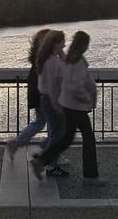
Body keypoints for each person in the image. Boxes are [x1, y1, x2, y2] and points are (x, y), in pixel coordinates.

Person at [31, 30, 103, 185]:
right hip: (76, 107)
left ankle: (42, 161)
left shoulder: (70, 59)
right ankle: (90, 176)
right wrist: (87, 99)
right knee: (88, 139)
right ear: (83, 45)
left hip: (69, 105)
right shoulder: (75, 60)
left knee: (65, 138)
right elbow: (75, 85)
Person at [5, 29, 51, 161]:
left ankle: (16, 143)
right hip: (43, 95)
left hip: (37, 94)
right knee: (53, 125)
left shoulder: (38, 58)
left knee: (40, 122)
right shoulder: (43, 59)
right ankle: (50, 153)